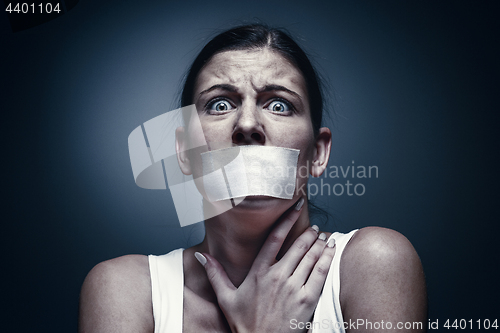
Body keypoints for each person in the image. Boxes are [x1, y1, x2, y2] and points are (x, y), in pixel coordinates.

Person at [79, 24, 427, 333]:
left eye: (278, 105)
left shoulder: (374, 263)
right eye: (219, 104)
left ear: (318, 153)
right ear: (184, 152)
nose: (247, 125)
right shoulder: (125, 290)